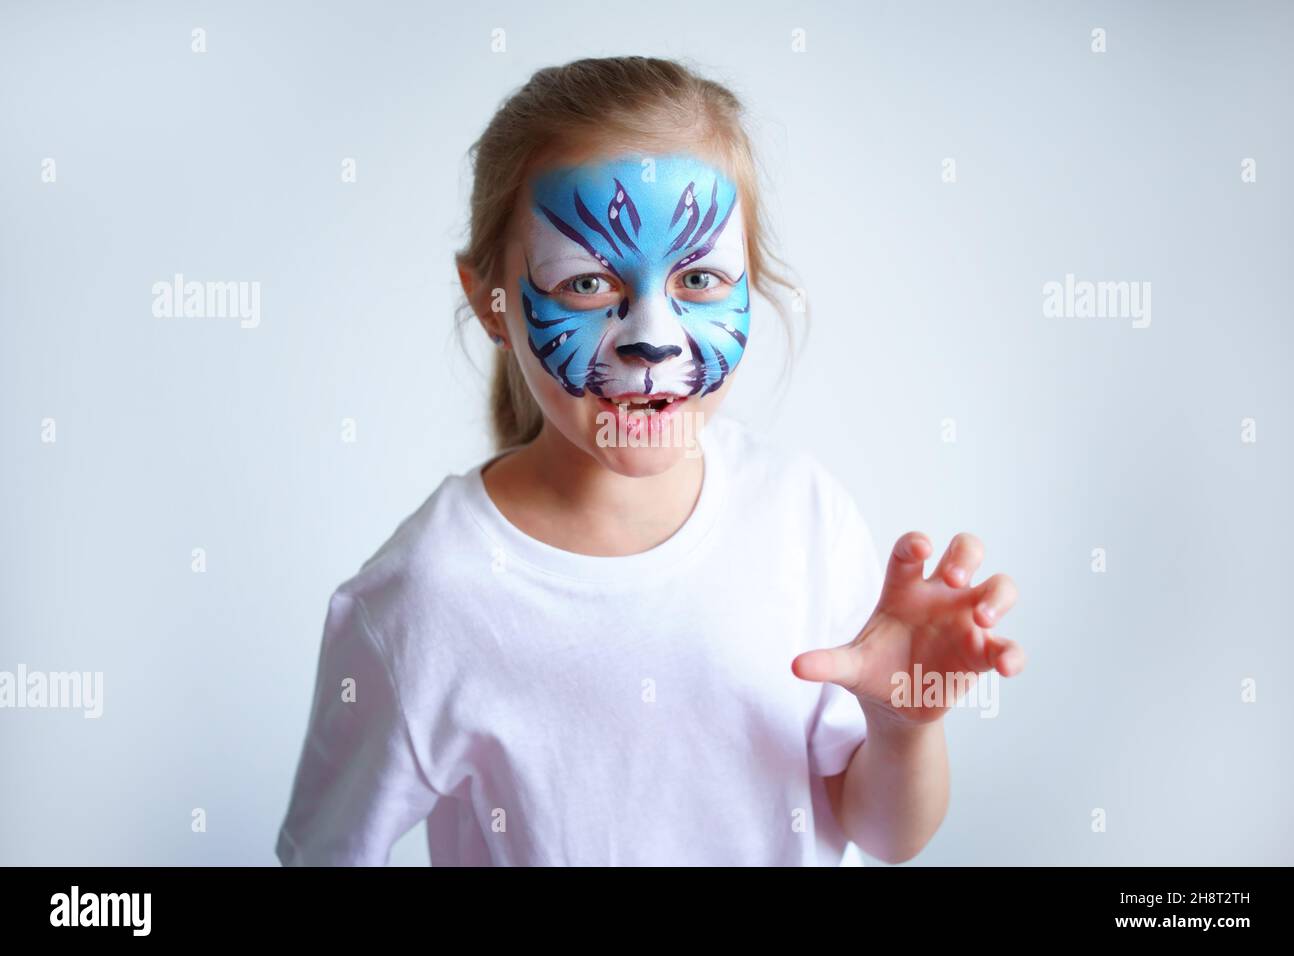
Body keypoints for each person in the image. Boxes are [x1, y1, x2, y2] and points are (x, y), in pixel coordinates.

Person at [275, 55, 1024, 867]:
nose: (653, 337)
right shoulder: (427, 595)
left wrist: (904, 726)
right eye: (589, 284)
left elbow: (884, 834)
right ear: (492, 302)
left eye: (699, 279)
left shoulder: (800, 517)